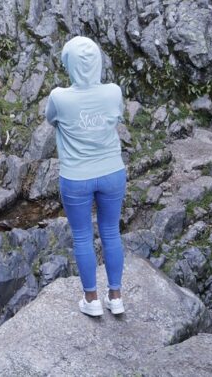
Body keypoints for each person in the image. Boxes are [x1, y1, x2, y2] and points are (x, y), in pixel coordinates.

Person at [45, 35, 127, 317]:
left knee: (82, 236)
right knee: (111, 232)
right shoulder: (113, 92)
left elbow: (50, 119)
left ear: (69, 64)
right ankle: (115, 296)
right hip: (112, 172)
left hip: (76, 177)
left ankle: (91, 299)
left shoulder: (59, 97)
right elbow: (117, 118)